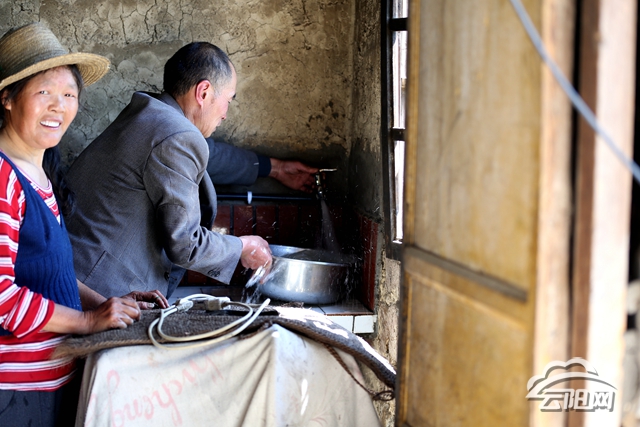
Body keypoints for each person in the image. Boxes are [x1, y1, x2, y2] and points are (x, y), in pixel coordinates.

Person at [0, 23, 168, 427]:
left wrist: (105, 303)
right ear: (7, 98)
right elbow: (2, 297)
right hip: (16, 392)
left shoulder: (38, 174)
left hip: (49, 383)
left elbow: (48, 274)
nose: (58, 107)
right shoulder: (3, 179)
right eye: (44, 93)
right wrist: (88, 322)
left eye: (69, 95)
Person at [66, 42, 318, 300]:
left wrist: (276, 169)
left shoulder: (152, 116)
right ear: (204, 92)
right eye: (228, 100)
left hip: (76, 276)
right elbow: (186, 244)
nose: (225, 114)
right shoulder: (176, 135)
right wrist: (242, 246)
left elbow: (211, 156)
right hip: (97, 293)